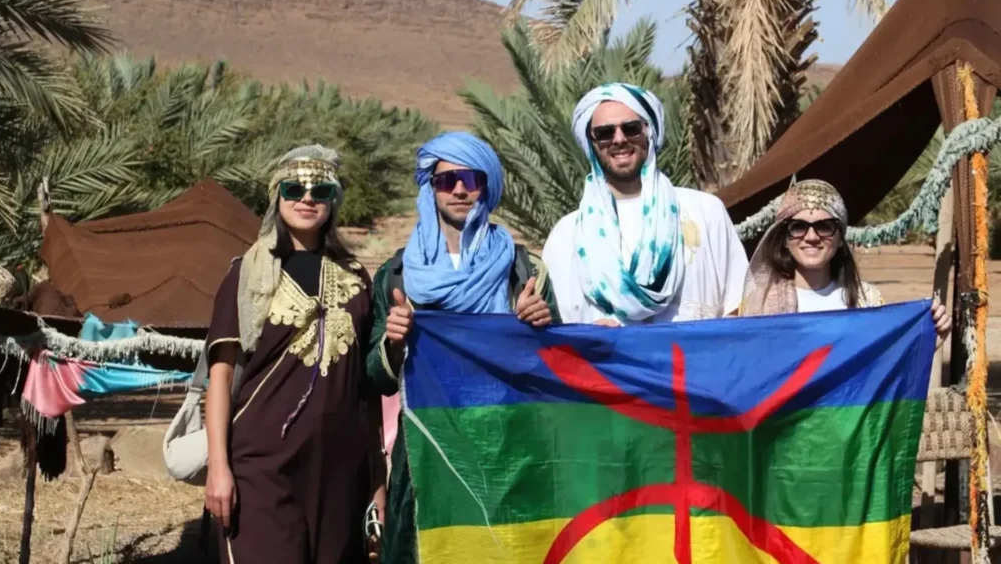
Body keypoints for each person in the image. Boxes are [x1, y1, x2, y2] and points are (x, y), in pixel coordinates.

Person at [366, 131, 558, 563]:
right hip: (425, 456)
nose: (458, 189)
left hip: (507, 452)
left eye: (470, 178)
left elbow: (557, 372)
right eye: (445, 179)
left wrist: (539, 329)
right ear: (428, 188)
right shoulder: (397, 276)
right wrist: (394, 342)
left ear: (486, 186)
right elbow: (376, 377)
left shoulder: (524, 271)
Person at [203, 145, 386, 564]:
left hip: (342, 470)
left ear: (333, 201)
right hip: (262, 465)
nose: (306, 198)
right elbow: (221, 376)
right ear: (276, 196)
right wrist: (219, 467)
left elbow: (367, 389)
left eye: (319, 190)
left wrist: (377, 480)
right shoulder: (246, 273)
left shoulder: (356, 277)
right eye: (294, 188)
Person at [543, 82, 748, 325]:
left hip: (697, 361)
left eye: (631, 128)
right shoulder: (567, 235)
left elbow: (741, 304)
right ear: (591, 142)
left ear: (649, 131)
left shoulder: (704, 211)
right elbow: (553, 331)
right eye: (605, 132)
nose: (619, 139)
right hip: (607, 363)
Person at [739, 179, 952, 343]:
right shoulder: (759, 305)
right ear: (784, 239)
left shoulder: (867, 301)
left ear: (841, 238)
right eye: (798, 227)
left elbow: (885, 367)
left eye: (824, 226)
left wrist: (929, 339)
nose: (811, 237)